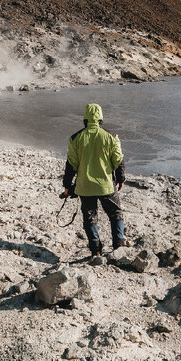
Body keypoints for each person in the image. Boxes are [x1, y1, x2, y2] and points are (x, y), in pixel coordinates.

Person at [63, 103, 126, 255]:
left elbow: (71, 164)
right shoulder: (111, 137)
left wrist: (67, 185)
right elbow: (118, 160)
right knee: (116, 213)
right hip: (106, 186)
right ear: (100, 118)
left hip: (84, 187)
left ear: (85, 118)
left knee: (90, 217)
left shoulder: (75, 138)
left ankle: (96, 250)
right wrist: (120, 178)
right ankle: (119, 246)